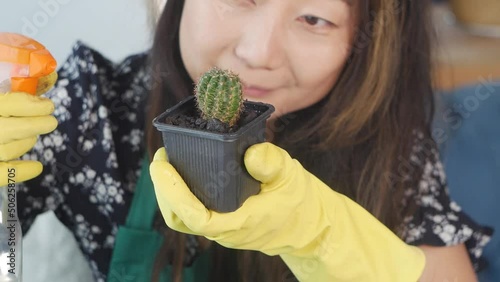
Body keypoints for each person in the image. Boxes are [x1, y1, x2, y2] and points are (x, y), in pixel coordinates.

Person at [0, 0, 493, 281]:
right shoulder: (90, 109)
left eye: (314, 18)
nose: (257, 53)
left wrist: (327, 235)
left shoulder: (388, 148)